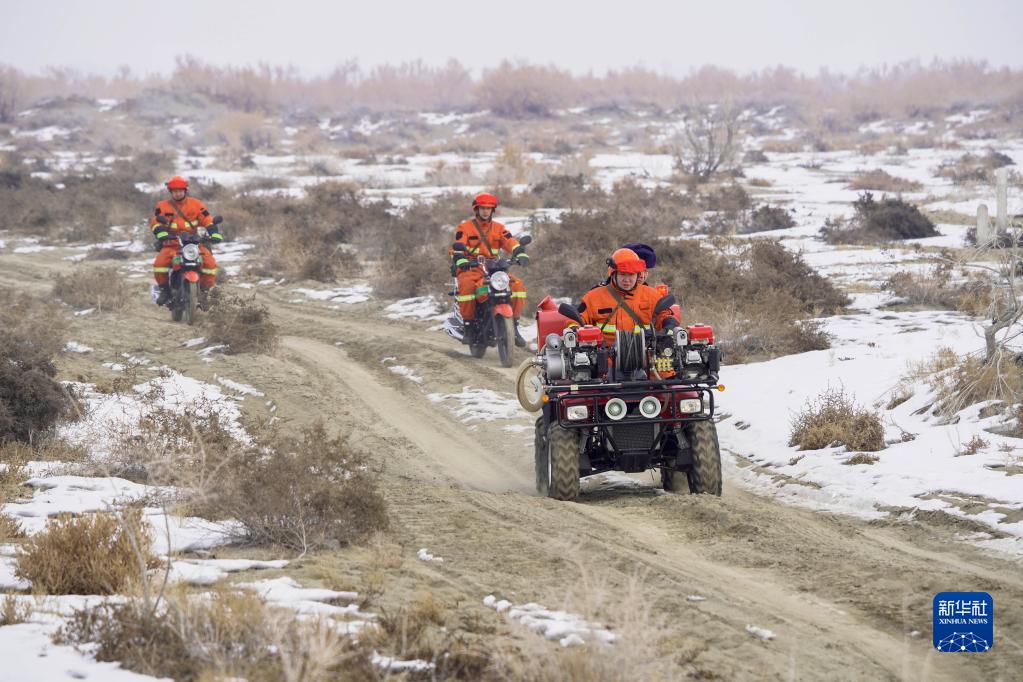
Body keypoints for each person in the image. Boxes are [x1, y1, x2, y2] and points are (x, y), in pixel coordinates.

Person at [451, 192, 529, 347]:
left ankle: (514, 325)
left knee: (517, 285)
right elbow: (457, 247)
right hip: (471, 268)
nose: (485, 211)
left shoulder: (499, 228)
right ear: (476, 209)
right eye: (482, 208)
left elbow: (510, 241)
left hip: (493, 268)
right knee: (467, 287)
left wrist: (519, 253)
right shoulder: (465, 227)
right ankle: (468, 327)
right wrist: (461, 260)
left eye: (489, 208)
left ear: (493, 210)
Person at [574, 247, 676, 345]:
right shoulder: (593, 297)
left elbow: (664, 315)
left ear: (637, 275)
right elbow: (577, 319)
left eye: (631, 275)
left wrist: (669, 323)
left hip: (646, 357)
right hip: (604, 359)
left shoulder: (652, 295)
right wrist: (573, 329)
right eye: (623, 274)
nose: (627, 280)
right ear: (613, 274)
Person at [150, 176, 222, 306]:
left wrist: (214, 233)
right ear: (171, 192)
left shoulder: (196, 204)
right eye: (174, 191)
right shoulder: (162, 206)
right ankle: (164, 290)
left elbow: (207, 219)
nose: (178, 193)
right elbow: (155, 221)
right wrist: (161, 233)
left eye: (180, 190)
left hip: (193, 244)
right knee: (159, 264)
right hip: (172, 244)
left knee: (210, 264)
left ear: (185, 190)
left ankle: (204, 292)